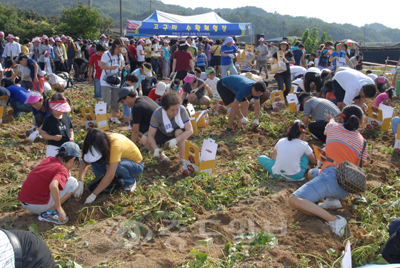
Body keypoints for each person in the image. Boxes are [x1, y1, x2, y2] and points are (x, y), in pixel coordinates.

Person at [289, 105, 367, 237]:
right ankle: (332, 200)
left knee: (294, 200)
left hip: (331, 177)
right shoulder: (363, 141)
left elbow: (330, 122)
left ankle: (334, 220)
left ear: (342, 117)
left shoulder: (333, 127)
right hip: (346, 185)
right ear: (360, 121)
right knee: (312, 173)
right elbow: (359, 167)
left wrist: (334, 118)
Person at [75, 128, 144, 204]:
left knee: (116, 166)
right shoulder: (95, 142)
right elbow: (85, 162)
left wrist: (94, 194)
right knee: (95, 161)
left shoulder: (115, 145)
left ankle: (129, 182)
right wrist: (80, 182)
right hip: (116, 161)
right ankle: (101, 180)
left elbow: (110, 176)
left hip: (136, 165)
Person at [17, 142, 80, 224]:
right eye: (76, 162)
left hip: (24, 201)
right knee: (73, 183)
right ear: (72, 160)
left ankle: (46, 207)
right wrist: (59, 207)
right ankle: (48, 213)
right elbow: (53, 186)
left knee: (68, 178)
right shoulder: (62, 169)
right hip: (34, 205)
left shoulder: (50, 159)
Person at [141, 91, 193, 164]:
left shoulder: (181, 110)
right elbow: (151, 135)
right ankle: (162, 157)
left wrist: (175, 140)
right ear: (165, 108)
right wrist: (155, 148)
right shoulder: (157, 114)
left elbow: (190, 130)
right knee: (145, 139)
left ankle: (183, 161)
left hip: (176, 133)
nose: (175, 112)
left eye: (177, 109)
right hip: (163, 132)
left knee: (179, 132)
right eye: (172, 110)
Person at [40, 93, 74, 158]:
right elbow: (43, 133)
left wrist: (71, 138)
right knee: (52, 165)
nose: (59, 112)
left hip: (66, 146)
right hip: (53, 147)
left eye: (61, 110)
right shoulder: (48, 119)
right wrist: (53, 137)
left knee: (65, 165)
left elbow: (71, 130)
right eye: (57, 110)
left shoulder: (67, 118)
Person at [99, 38, 124, 124]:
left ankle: (113, 118)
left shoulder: (120, 55)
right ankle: (102, 119)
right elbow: (101, 66)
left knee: (115, 100)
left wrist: (123, 68)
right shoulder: (106, 54)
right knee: (107, 99)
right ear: (116, 46)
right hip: (105, 80)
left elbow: (121, 66)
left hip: (116, 80)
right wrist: (110, 67)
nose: (121, 50)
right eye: (120, 48)